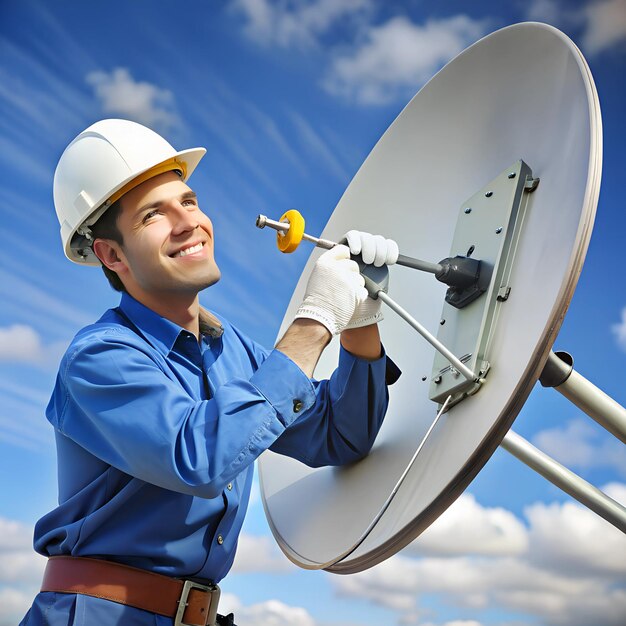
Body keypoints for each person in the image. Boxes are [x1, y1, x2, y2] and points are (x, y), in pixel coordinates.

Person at [20, 119, 401, 626]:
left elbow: (341, 436)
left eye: (190, 201)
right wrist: (317, 319)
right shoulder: (98, 358)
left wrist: (359, 320)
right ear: (112, 255)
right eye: (154, 215)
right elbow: (198, 458)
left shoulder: (234, 352)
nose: (187, 222)